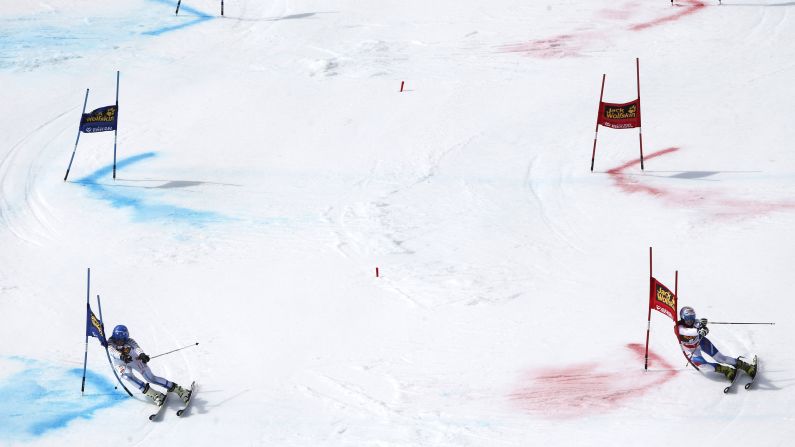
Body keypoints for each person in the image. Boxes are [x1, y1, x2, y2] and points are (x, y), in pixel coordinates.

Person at [107, 324, 191, 406]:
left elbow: (136, 348)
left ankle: (181, 390)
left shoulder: (130, 341)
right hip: (120, 363)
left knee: (150, 378)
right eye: (117, 339)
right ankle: (155, 395)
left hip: (134, 360)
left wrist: (142, 355)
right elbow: (112, 351)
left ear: (125, 338)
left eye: (121, 340)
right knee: (127, 376)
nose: (119, 342)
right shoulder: (110, 343)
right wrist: (122, 356)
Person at [675, 306, 756, 381]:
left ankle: (745, 366)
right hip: (690, 350)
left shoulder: (695, 322)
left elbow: (700, 325)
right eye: (688, 318)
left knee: (720, 358)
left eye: (692, 317)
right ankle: (726, 370)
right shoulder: (679, 328)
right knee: (702, 365)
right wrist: (698, 330)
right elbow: (687, 332)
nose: (690, 320)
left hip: (701, 342)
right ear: (682, 317)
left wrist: (703, 326)